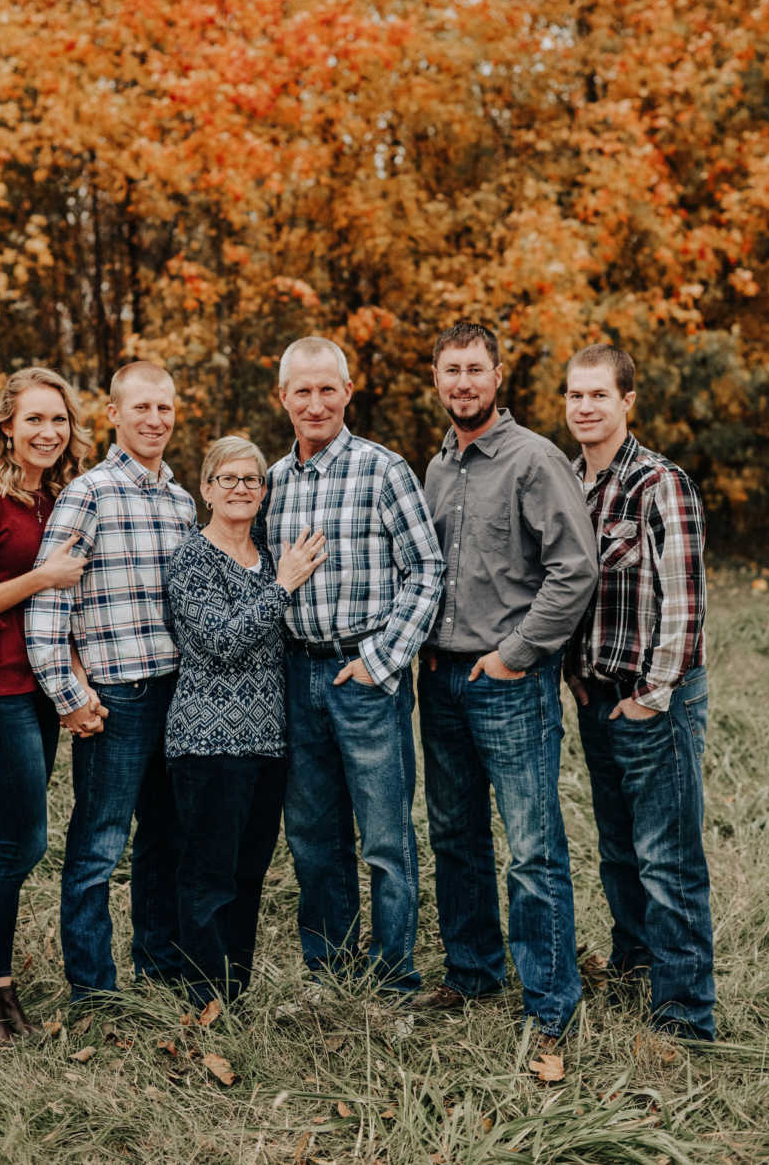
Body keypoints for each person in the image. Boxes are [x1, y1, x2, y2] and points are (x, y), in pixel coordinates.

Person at [416, 321, 598, 1043]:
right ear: (437, 380)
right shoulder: (435, 466)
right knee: (455, 836)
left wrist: (516, 653)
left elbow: (574, 568)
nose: (462, 382)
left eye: (474, 369)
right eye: (450, 370)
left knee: (531, 844)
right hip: (441, 679)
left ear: (498, 376)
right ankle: (473, 970)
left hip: (509, 682)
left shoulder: (533, 459)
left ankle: (550, 1000)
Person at [263, 336, 444, 995]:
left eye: (326, 389)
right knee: (313, 836)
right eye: (301, 391)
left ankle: (394, 977)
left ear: (347, 392)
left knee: (386, 840)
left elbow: (426, 570)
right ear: (283, 398)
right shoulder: (274, 483)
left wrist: (381, 661)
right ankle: (329, 972)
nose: (315, 403)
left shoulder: (382, 469)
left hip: (365, 677)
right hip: (295, 675)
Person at [26, 361, 196, 1004]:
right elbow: (46, 609)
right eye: (142, 408)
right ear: (114, 415)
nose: (155, 420)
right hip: (116, 700)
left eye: (165, 408)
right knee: (98, 847)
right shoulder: (88, 494)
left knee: (164, 839)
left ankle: (159, 964)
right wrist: (71, 697)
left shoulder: (183, 502)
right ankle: (92, 989)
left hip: (178, 693)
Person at [563, 344, 714, 1041]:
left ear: (628, 401)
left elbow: (685, 607)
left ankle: (686, 1012)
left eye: (599, 395)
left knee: (667, 856)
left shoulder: (660, 482)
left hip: (656, 700)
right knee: (619, 851)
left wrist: (651, 697)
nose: (585, 407)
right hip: (598, 698)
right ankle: (634, 971)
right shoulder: (567, 481)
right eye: (575, 395)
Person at [0, 367, 93, 1047]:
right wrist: (41, 577)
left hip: (39, 687)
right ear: (7, 425)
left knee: (3, 839)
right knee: (26, 840)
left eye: (57, 420)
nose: (47, 432)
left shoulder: (51, 496)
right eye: (33, 419)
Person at [165, 436, 326, 1007]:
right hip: (208, 741)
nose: (241, 489)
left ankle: (234, 989)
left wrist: (280, 578)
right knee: (208, 873)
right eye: (228, 479)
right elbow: (219, 642)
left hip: (267, 741)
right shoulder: (191, 558)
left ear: (264, 491)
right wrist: (283, 586)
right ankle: (202, 992)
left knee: (250, 871)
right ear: (206, 488)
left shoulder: (266, 549)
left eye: (252, 480)